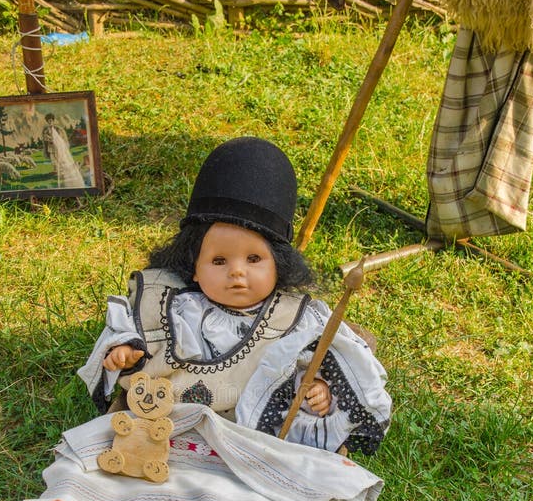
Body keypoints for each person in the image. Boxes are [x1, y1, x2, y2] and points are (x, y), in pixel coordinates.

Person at [78, 137, 391, 454]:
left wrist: (321, 388)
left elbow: (319, 362)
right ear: (195, 266)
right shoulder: (177, 307)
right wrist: (127, 352)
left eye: (254, 259)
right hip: (174, 421)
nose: (237, 272)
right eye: (218, 261)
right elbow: (137, 332)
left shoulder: (296, 319)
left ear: (278, 266)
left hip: (257, 437)